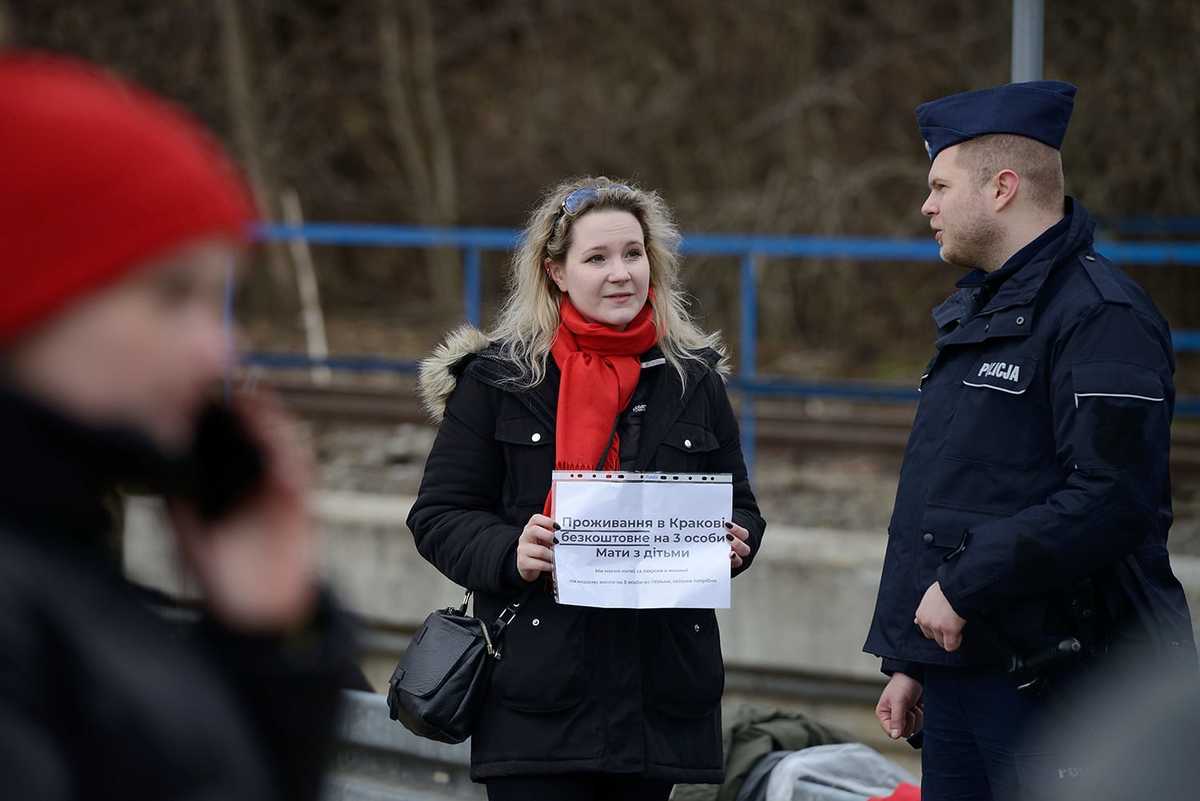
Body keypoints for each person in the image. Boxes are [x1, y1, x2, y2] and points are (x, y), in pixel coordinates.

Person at [0, 53, 351, 800]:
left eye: (217, 301)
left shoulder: (63, 563)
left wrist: (264, 643)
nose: (216, 350)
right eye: (171, 295)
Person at [863, 80, 1196, 801]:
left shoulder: (1102, 316)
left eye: (940, 186)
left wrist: (961, 585)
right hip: (965, 670)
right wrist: (912, 657)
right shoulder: (979, 312)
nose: (926, 206)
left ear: (1003, 187)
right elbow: (945, 496)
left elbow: (1112, 498)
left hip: (1069, 688)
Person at [407, 177, 767, 801]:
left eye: (633, 254)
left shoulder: (693, 380)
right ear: (555, 272)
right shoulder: (498, 381)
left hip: (658, 699)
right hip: (536, 698)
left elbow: (743, 508)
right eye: (597, 258)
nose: (621, 273)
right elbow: (438, 515)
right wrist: (510, 550)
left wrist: (735, 543)